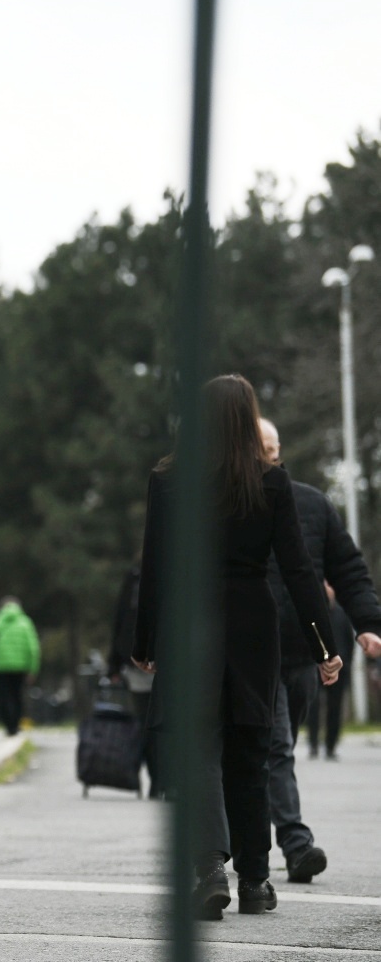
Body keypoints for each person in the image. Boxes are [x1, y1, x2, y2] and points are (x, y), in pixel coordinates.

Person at [133, 376, 340, 921]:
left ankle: (207, 868)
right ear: (249, 420)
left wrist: (144, 641)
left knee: (199, 750)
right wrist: (325, 644)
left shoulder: (170, 480)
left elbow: (154, 566)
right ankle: (255, 880)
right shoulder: (270, 483)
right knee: (251, 753)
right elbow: (299, 570)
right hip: (252, 624)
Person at [258, 417, 381, 882]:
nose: (267, 456)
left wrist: (367, 623)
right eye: (258, 449)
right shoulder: (234, 505)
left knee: (269, 748)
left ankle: (234, 831)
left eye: (272, 449)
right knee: (277, 748)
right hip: (256, 651)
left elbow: (347, 567)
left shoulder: (310, 503)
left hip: (303, 653)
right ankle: (295, 843)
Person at [107, 566, 159, 796]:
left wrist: (115, 664)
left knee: (147, 723)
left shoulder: (136, 578)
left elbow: (121, 620)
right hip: (166, 664)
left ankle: (157, 778)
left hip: (138, 662)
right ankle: (164, 778)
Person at [306, 586, 355, 760]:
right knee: (314, 707)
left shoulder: (342, 614)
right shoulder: (313, 614)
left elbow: (349, 642)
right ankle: (313, 744)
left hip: (339, 668)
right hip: (316, 665)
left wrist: (347, 664)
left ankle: (331, 746)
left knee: (335, 708)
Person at [0, 597, 40, 736]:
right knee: (17, 696)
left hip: (0, 666)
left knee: (3, 696)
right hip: (20, 667)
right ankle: (15, 724)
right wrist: (33, 669)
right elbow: (33, 648)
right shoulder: (25, 623)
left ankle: (8, 725)